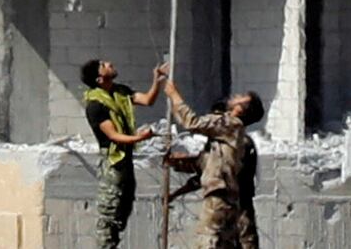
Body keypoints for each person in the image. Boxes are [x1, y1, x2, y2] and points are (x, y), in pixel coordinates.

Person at [165, 78, 264, 249]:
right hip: (225, 201)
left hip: (222, 199)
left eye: (241, 98)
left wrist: (174, 95)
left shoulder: (231, 124)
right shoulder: (226, 137)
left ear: (239, 110)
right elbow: (207, 165)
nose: (235, 96)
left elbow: (192, 123)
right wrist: (179, 163)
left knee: (208, 242)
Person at [81, 59, 167, 249]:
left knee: (123, 208)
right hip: (112, 161)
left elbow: (147, 100)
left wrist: (157, 81)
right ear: (99, 78)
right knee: (109, 213)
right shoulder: (95, 105)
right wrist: (140, 138)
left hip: (125, 159)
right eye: (104, 65)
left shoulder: (120, 91)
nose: (110, 64)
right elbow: (114, 136)